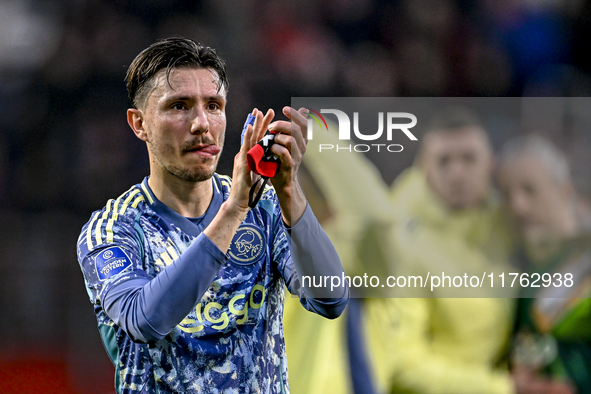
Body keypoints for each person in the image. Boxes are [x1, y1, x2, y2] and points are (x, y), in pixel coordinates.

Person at [75, 37, 349, 394]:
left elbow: (330, 298)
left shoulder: (264, 208)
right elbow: (145, 320)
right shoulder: (114, 229)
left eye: (214, 105)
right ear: (139, 123)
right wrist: (233, 211)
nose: (201, 124)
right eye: (179, 106)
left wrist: (288, 191)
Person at [363, 107, 521, 393]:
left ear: (491, 164)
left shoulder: (507, 220)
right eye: (444, 161)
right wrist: (503, 387)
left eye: (469, 159)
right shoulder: (397, 242)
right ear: (423, 167)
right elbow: (404, 365)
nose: (457, 172)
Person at [498, 134, 591, 394]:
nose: (517, 206)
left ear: (564, 189)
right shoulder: (518, 271)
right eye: (507, 194)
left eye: (529, 189)